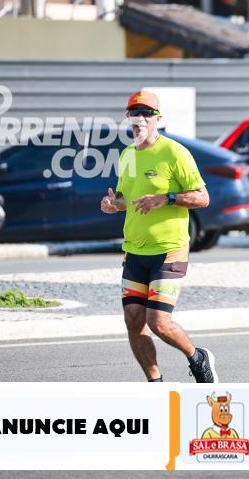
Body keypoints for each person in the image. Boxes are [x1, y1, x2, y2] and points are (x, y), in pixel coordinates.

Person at [101, 89, 217, 383]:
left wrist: (166, 198)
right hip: (135, 251)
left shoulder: (175, 152)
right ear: (128, 117)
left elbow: (203, 198)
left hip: (169, 250)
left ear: (158, 118)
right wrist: (114, 204)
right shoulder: (127, 155)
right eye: (135, 113)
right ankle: (156, 384)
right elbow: (126, 198)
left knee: (158, 322)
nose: (140, 118)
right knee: (133, 320)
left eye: (147, 113)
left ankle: (198, 358)